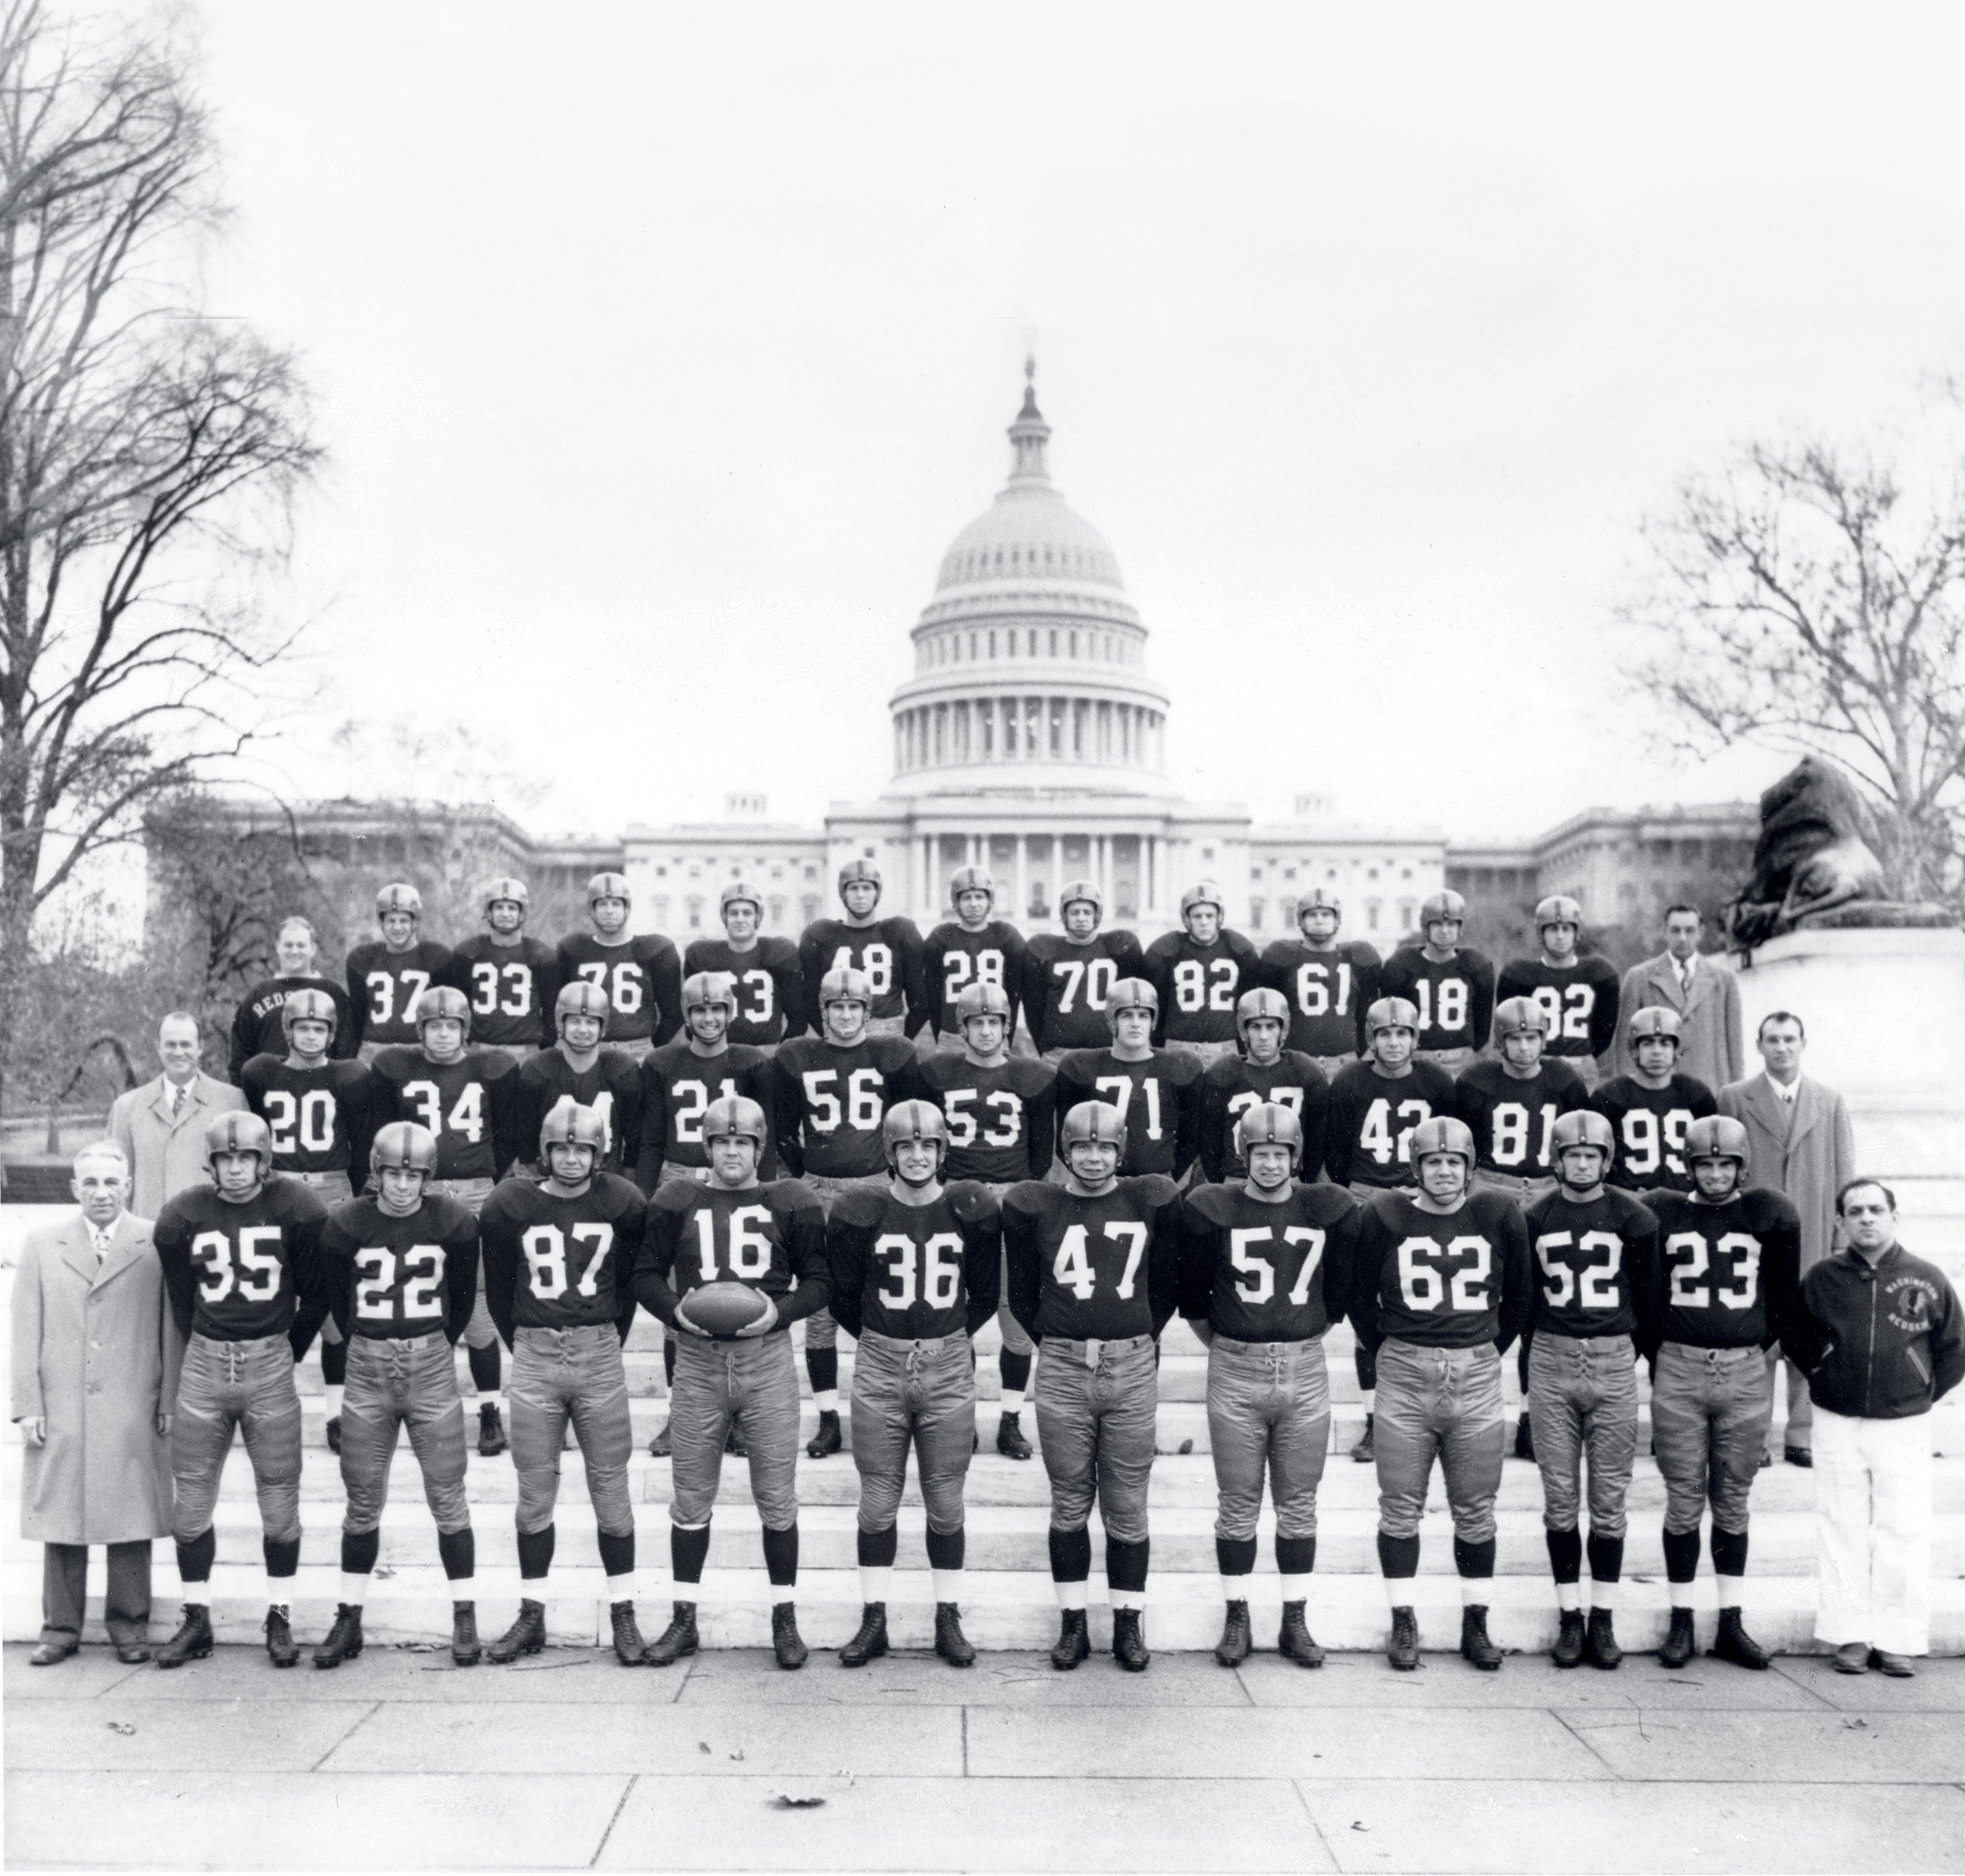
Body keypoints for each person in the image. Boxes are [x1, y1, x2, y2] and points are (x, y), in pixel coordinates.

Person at [632, 1095, 831, 1670]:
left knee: (776, 1499)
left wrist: (782, 1313)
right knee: (691, 1498)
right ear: (707, 1146)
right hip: (697, 1360)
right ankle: (684, 1620)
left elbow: (819, 1281)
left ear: (759, 1146)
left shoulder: (790, 1200)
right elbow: (645, 1274)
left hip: (766, 1359)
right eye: (722, 1142)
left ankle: (785, 1619)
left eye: (742, 1142)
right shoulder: (677, 1198)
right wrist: (676, 1312)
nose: (732, 1152)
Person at [1177, 1104, 1360, 1668]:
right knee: (1237, 1503)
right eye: (1261, 1153)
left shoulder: (1323, 1207)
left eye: (1281, 1154)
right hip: (1235, 1367)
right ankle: (1237, 1616)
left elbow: (1337, 1300)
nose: (1272, 1163)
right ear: (1244, 1155)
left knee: (1298, 1504)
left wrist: (1295, 1338)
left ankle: (1295, 1620)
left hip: (1304, 1367)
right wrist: (1238, 1343)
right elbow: (1195, 1302)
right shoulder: (1216, 1207)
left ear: (1296, 1156)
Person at [1349, 1115, 1532, 1672]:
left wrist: (1478, 1350)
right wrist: (1400, 1350)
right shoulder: (1384, 1214)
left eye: (1454, 1162)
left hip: (1475, 1371)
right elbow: (1361, 1300)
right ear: (1416, 1167)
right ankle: (1403, 1620)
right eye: (1434, 1162)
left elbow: (1520, 1298)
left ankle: (1475, 1624)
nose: (1445, 1171)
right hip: (1404, 1370)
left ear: (1471, 1165)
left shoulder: (1498, 1212)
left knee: (1476, 1510)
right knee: (1399, 1508)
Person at [1004, 1101, 1181, 1672]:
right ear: (1065, 1150)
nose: (1094, 1157)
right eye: (1082, 1146)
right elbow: (1026, 1296)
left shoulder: (1144, 1199)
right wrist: (1061, 1340)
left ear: (1121, 1150)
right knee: (1070, 1501)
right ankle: (1073, 1624)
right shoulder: (1042, 1205)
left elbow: (1167, 1286)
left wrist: (1132, 1335)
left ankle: (1128, 1625)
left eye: (1104, 1147)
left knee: (1128, 1506)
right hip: (1061, 1365)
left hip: (1131, 1364)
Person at [825, 1102, 1001, 1667]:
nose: (918, 1155)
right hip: (880, 1362)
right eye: (906, 1147)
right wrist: (885, 1341)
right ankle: (873, 1617)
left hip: (948, 1365)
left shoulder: (967, 1208)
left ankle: (947, 1618)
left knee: (946, 1502)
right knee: (877, 1502)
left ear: (943, 1151)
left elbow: (983, 1292)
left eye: (928, 1146)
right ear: (890, 1154)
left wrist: (945, 1340)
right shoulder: (863, 1209)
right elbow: (845, 1297)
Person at [149, 1112, 329, 1668]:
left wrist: (284, 1349)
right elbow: (183, 1300)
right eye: (225, 1159)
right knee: (191, 1505)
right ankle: (196, 1617)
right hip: (205, 1364)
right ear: (212, 1162)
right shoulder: (184, 1214)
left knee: (280, 1503)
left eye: (245, 1158)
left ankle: (279, 1616)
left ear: (263, 1159)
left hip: (269, 1362)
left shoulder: (296, 1207)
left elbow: (316, 1295)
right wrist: (212, 1343)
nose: (234, 1169)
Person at [476, 1100, 650, 1666]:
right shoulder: (511, 1203)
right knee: (533, 1496)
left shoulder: (621, 1200)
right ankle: (531, 1614)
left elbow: (625, 1286)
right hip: (535, 1355)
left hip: (599, 1353)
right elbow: (501, 1290)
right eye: (562, 1148)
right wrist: (527, 1342)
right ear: (545, 1151)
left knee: (612, 1494)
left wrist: (603, 1340)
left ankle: (624, 1612)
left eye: (582, 1149)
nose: (572, 1158)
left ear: (599, 1153)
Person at [310, 1122, 483, 1668]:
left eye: (413, 1175)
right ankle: (349, 1618)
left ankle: (464, 1615)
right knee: (361, 1501)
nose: (403, 1185)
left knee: (448, 1497)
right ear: (376, 1173)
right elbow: (339, 1302)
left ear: (427, 1176)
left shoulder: (452, 1221)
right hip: (368, 1366)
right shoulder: (346, 1223)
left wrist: (433, 1344)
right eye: (393, 1173)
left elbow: (458, 1301)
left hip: (430, 1362)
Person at [1782, 1179, 1964, 1676]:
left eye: (1876, 1210)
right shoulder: (1822, 1278)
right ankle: (1850, 1635)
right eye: (1855, 1211)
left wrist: (1918, 1388)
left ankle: (1898, 1638)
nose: (1866, 1218)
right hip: (1837, 1418)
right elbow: (1795, 1337)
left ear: (1894, 1216)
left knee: (1902, 1529)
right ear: (1840, 1221)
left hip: (1902, 1422)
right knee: (1840, 1525)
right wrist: (1825, 1372)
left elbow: (1953, 1348)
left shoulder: (1926, 1278)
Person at [1641, 1114, 1801, 1670]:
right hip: (1680, 1368)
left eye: (1724, 1164)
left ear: (1741, 1167)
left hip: (1743, 1369)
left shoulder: (1768, 1213)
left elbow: (1783, 1300)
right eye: (1705, 1164)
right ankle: (1681, 1619)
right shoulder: (1664, 1211)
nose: (1714, 1175)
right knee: (1684, 1499)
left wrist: (1755, 1350)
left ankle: (1730, 1619)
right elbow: (1647, 1298)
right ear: (1690, 1165)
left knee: (1733, 1498)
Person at [10, 1145, 180, 1666]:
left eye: (111, 1182)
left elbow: (170, 1326)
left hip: (133, 1398)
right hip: (63, 1403)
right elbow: (23, 1330)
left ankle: (130, 1628)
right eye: (90, 1183)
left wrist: (167, 1398)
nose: (101, 1193)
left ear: (128, 1185)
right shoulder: (42, 1244)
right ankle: (60, 1628)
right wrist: (28, 1404)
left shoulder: (155, 1241)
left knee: (130, 1517)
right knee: (62, 1516)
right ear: (73, 1189)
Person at [1522, 1111, 1660, 1670]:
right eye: (1572, 1155)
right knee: (1559, 1498)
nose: (1582, 1164)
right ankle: (1570, 1617)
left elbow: (1650, 1301)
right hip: (1553, 1357)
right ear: (1557, 1160)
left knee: (1608, 1501)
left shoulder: (1634, 1216)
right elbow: (1526, 1302)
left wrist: (1632, 1356)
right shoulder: (1535, 1215)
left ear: (1607, 1159)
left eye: (1592, 1155)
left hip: (1611, 1358)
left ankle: (1602, 1618)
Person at [770, 964, 922, 1457]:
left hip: (879, 1188)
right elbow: (786, 1132)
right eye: (837, 1007)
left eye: (854, 1006)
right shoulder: (796, 1056)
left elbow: (909, 1123)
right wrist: (809, 1178)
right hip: (820, 1189)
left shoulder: (892, 1054)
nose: (846, 1016)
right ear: (823, 1011)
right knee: (819, 1311)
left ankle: (899, 1410)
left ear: (868, 1010)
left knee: (889, 1300)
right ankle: (828, 1417)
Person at [369, 985, 527, 1456]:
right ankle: (414, 1408)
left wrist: (485, 1182)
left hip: (477, 1191)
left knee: (477, 1310)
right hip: (419, 1192)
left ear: (465, 1029)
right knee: (416, 1298)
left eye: (451, 1026)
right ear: (420, 1030)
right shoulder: (398, 1068)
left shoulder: (490, 1068)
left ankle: (490, 1412)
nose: (442, 1035)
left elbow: (506, 1136)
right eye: (434, 1026)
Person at [635, 970, 779, 1457]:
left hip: (741, 1181)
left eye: (717, 1009)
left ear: (731, 1012)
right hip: (683, 1179)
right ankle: (682, 1416)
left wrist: (768, 1190)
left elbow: (767, 1137)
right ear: (687, 1014)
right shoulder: (661, 1063)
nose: (709, 1018)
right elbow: (653, 1137)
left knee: (744, 1290)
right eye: (699, 1010)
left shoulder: (752, 1062)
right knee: (683, 1304)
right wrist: (647, 1196)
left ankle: (741, 1416)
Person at [912, 979, 1057, 1459]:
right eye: (978, 1023)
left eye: (995, 1022)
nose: (987, 1031)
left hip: (1011, 1201)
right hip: (956, 1204)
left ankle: (1011, 1419)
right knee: (959, 1317)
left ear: (1006, 1026)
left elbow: (1039, 1156)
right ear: (963, 1028)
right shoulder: (938, 1073)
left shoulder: (1030, 1076)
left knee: (1015, 1316)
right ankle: (963, 1415)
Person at [1322, 996, 1457, 1465]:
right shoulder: (1350, 1081)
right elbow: (1335, 1154)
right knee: (1367, 1312)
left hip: (1422, 1200)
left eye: (1402, 1034)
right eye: (1384, 1034)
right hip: (1367, 1197)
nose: (1394, 1042)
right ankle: (1376, 1421)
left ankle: (1433, 1416)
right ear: (1370, 1039)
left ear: (1416, 1038)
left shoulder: (1436, 1082)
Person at [1454, 996, 1588, 1462]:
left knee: (1540, 1306)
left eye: (1533, 1037)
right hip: (1493, 1186)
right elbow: (1463, 1146)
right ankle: (1472, 1410)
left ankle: (1534, 1414)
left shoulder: (1565, 1081)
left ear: (1544, 1038)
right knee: (1481, 1297)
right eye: (1516, 1038)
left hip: (1549, 1190)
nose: (1525, 1047)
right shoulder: (1477, 1081)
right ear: (1501, 1040)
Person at [1719, 1012, 1856, 1467]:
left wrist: (1841, 1238)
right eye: (1773, 1040)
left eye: (1790, 1039)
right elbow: (1724, 1170)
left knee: (1807, 1334)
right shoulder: (1735, 1098)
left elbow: (1845, 1174)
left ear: (1803, 1043)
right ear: (1759, 1045)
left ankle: (1801, 1434)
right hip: (1755, 1236)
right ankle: (1754, 1438)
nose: (1782, 1048)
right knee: (1757, 1340)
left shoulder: (1829, 1102)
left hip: (1813, 1231)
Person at [240, 986, 373, 1453]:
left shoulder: (350, 1075)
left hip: (333, 1187)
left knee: (335, 1303)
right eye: (303, 1027)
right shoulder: (261, 1072)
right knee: (275, 1290)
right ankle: (267, 1402)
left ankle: (335, 1413)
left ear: (333, 1033)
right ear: (288, 1030)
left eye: (320, 1028)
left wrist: (358, 1200)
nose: (312, 1036)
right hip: (280, 1188)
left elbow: (360, 1144)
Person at [1053, 977, 1203, 1185]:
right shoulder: (1081, 1068)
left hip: (1156, 1181)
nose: (1135, 1024)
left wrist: (1167, 1176)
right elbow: (1066, 1138)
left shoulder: (1179, 1067)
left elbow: (1190, 1138)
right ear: (1111, 1020)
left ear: (1153, 1020)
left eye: (1143, 1015)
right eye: (1126, 1015)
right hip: (1101, 1181)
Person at [109, 1011, 248, 1221]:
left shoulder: (232, 1102)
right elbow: (115, 1181)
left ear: (200, 1047)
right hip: (149, 1235)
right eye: (171, 1045)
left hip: (212, 1235)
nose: (178, 1052)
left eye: (186, 1045)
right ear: (158, 1047)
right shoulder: (126, 1108)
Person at [1196, 986, 1331, 1185]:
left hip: (1288, 1181)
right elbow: (1209, 1145)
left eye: (1271, 1026)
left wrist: (1303, 1179)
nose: (1264, 1036)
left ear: (1283, 1030)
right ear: (1243, 1031)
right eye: (1256, 1027)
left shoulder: (1304, 1072)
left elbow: (1317, 1141)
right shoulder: (1224, 1073)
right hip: (1237, 1180)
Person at [514, 981, 645, 1178]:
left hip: (607, 1183)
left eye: (591, 1022)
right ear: (561, 1023)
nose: (583, 1030)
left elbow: (635, 1143)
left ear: (603, 1025)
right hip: (551, 1182)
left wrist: (622, 1186)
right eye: (575, 1020)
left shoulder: (621, 1069)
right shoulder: (538, 1068)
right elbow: (526, 1146)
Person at [1612, 905, 1744, 1095]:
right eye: (1675, 930)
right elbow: (1625, 1047)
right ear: (1664, 932)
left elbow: (1735, 1046)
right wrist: (1628, 1095)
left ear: (1701, 933)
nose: (1682, 938)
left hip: (1709, 1091)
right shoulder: (1639, 977)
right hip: (1655, 1092)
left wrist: (1734, 1095)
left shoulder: (1724, 980)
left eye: (1690, 931)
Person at [555, 870, 683, 1062]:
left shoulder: (654, 950)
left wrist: (651, 1046)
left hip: (638, 1049)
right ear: (591, 910)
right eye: (602, 904)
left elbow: (673, 1013)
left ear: (627, 908)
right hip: (587, 1049)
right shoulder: (573, 949)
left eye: (616, 904)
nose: (609, 911)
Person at [1589, 1007, 1717, 1197]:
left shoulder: (1696, 1094)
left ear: (1677, 1049)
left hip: (1687, 1202)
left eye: (1665, 1043)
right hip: (1628, 1200)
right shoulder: (1610, 1096)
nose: (1657, 1052)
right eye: (1648, 1043)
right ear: (1635, 1049)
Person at [1496, 895, 1620, 1093]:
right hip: (1535, 1067)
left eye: (1566, 929)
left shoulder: (1598, 972)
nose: (1560, 936)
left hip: (1582, 1067)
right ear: (1541, 933)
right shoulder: (1520, 975)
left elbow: (1604, 1032)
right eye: (1553, 929)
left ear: (1577, 933)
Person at [1256, 887, 1379, 1081]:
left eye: (1326, 914)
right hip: (1295, 1063)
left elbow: (1369, 1015)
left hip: (1345, 1063)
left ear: (1337, 919)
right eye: (1312, 915)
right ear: (1301, 920)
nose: (1320, 920)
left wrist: (1367, 1057)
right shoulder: (1283, 957)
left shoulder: (1358, 958)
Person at [798, 857, 926, 1041]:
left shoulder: (899, 931)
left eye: (867, 888)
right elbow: (810, 1002)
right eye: (853, 888)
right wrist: (829, 1036)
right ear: (843, 893)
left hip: (888, 1030)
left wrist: (903, 1040)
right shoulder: (821, 935)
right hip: (840, 1029)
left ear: (877, 892)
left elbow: (919, 1002)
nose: (860, 895)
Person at [1020, 878, 1146, 1061]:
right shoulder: (1046, 950)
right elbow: (1034, 1009)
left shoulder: (1117, 947)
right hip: (1060, 1054)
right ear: (1064, 916)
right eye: (1075, 912)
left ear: (1097, 915)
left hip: (1109, 1053)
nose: (1081, 918)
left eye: (1087, 912)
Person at [1142, 880, 1259, 1070]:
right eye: (1197, 916)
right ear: (1186, 919)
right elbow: (1159, 1001)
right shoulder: (1170, 950)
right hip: (1179, 1047)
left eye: (1209, 915)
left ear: (1219, 917)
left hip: (1224, 1048)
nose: (1204, 922)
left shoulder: (1237, 949)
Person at [1376, 891, 1495, 1072]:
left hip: (1462, 1061)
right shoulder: (1403, 964)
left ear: (1460, 927)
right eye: (1438, 924)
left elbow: (1482, 1026)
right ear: (1426, 927)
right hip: (1415, 1061)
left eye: (1451, 924)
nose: (1445, 931)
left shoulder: (1475, 965)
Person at [227, 916, 356, 1083]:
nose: (295, 951)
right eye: (289, 945)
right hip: (269, 1094)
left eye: (301, 945)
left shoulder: (332, 993)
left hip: (321, 1092)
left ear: (313, 949)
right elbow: (240, 1055)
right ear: (278, 947)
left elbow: (348, 1049)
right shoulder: (258, 994)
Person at [443, 876, 560, 1057]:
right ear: (488, 912)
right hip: (479, 1051)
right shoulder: (468, 953)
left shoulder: (541, 955)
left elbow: (550, 1013)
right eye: (499, 907)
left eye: (512, 908)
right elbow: (459, 1005)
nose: (505, 914)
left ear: (523, 913)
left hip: (526, 1051)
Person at [685, 878, 806, 1051]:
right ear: (724, 916)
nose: (740, 919)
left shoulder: (779, 953)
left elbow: (797, 1018)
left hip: (765, 1051)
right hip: (721, 1052)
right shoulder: (703, 956)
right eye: (734, 913)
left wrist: (782, 1052)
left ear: (758, 916)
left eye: (747, 913)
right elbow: (691, 1018)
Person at [920, 865, 1028, 1049]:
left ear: (989, 900)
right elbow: (932, 996)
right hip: (952, 1036)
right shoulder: (941, 937)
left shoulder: (1006, 936)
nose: (974, 904)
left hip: (993, 1036)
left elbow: (1013, 995)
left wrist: (1005, 1036)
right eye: (967, 898)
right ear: (956, 901)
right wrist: (942, 1033)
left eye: (979, 897)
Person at [345, 883, 452, 1064]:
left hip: (420, 1048)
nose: (397, 927)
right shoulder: (363, 959)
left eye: (403, 920)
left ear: (415, 922)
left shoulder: (434, 957)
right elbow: (357, 1015)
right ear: (381, 922)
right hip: (373, 1049)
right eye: (391, 921)